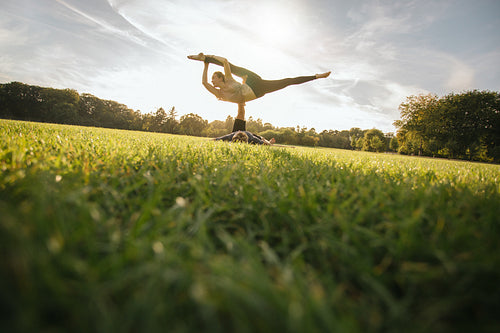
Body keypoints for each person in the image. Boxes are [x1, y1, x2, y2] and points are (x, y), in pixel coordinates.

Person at [187, 53, 331, 105]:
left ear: (221, 78)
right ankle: (205, 58)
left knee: (287, 81)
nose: (212, 81)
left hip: (253, 82)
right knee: (287, 82)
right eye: (212, 78)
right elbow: (204, 82)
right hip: (259, 92)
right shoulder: (218, 93)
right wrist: (205, 66)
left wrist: (207, 59)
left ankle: (317, 76)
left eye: (214, 78)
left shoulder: (229, 79)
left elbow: (225, 61)